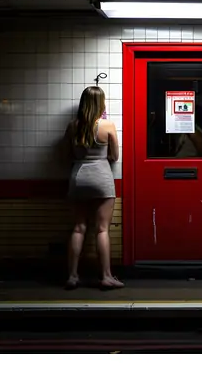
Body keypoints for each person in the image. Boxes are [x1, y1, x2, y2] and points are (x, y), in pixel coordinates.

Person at [63, 86, 124, 290]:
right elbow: (114, 156)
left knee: (79, 228)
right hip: (101, 178)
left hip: (78, 177)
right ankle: (106, 276)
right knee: (102, 229)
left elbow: (67, 154)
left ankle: (72, 276)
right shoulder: (108, 126)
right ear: (101, 104)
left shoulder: (73, 126)